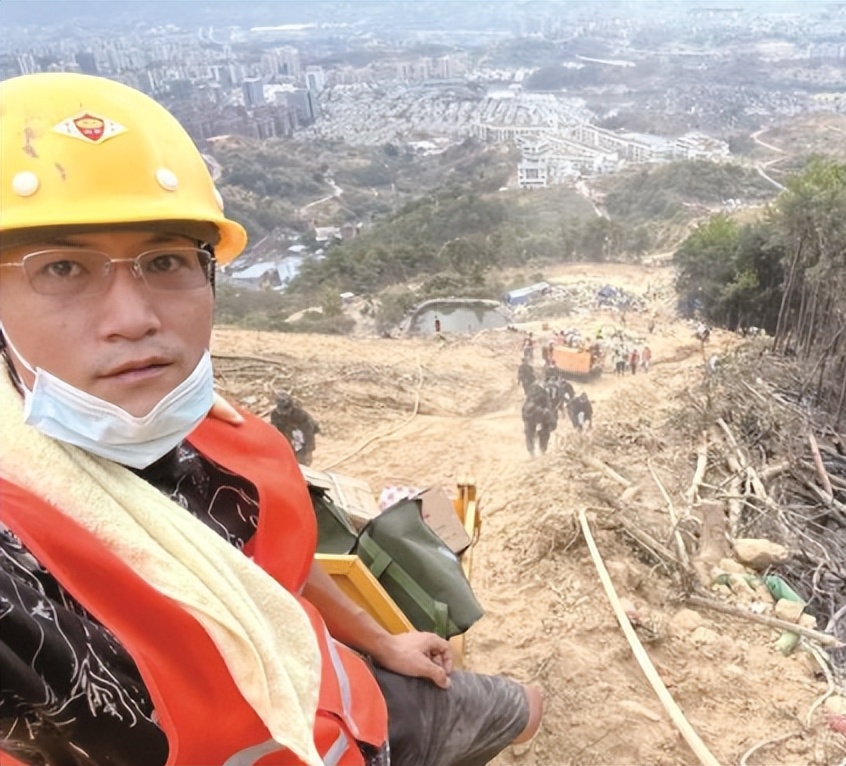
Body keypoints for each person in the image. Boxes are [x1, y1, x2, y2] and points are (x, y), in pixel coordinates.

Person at [0, 72, 541, 766]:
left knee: (525, 707)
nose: (134, 319)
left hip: (357, 705)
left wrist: (381, 643)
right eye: (63, 270)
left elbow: (275, 563)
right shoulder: (18, 568)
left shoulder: (221, 435)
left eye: (165, 259)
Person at [270, 391, 321, 466]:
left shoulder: (300, 414)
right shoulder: (275, 415)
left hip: (301, 436)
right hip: (288, 435)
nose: (284, 413)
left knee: (303, 461)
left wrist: (308, 450)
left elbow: (308, 433)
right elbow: (276, 430)